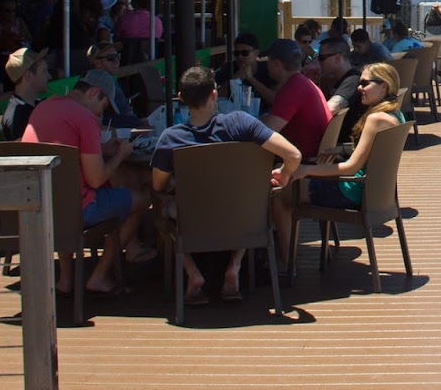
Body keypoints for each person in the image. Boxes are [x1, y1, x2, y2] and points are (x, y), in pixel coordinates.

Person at [151, 66, 302, 303]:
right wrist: (283, 174)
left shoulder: (170, 138)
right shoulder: (240, 123)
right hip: (241, 215)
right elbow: (293, 155)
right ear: (214, 94)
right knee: (256, 201)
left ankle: (193, 273)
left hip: (192, 218)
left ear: (180, 98)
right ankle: (235, 265)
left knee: (159, 212)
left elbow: (158, 186)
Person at [21, 79, 150, 295]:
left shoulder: (42, 108)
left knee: (63, 192)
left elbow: (65, 147)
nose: (101, 114)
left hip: (40, 203)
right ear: (93, 93)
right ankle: (99, 276)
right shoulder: (85, 118)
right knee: (142, 200)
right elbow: (96, 180)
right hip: (78, 209)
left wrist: (101, 149)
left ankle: (65, 279)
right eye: (103, 105)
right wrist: (120, 154)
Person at [296, 61, 406, 210]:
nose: (359, 88)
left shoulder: (376, 119)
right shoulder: (396, 115)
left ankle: (278, 233)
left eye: (364, 83)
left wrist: (305, 170)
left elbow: (351, 168)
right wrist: (341, 150)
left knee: (285, 191)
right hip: (373, 192)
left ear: (384, 86)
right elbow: (373, 154)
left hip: (351, 192)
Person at [255, 39, 329, 162]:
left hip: (302, 163)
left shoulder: (293, 89)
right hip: (311, 156)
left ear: (276, 64)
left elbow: (266, 131)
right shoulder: (304, 83)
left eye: (268, 60)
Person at [83, 42, 146, 130]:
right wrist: (138, 123)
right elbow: (106, 120)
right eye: (111, 58)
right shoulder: (99, 82)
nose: (116, 61)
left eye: (118, 56)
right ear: (97, 63)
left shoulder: (110, 79)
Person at [0, 46, 50, 139]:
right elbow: (23, 151)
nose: (49, 76)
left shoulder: (39, 104)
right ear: (28, 75)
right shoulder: (17, 115)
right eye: (44, 71)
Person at [315, 36, 361, 119]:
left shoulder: (353, 80)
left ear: (337, 58)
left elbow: (332, 108)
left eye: (321, 58)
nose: (318, 61)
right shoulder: (341, 79)